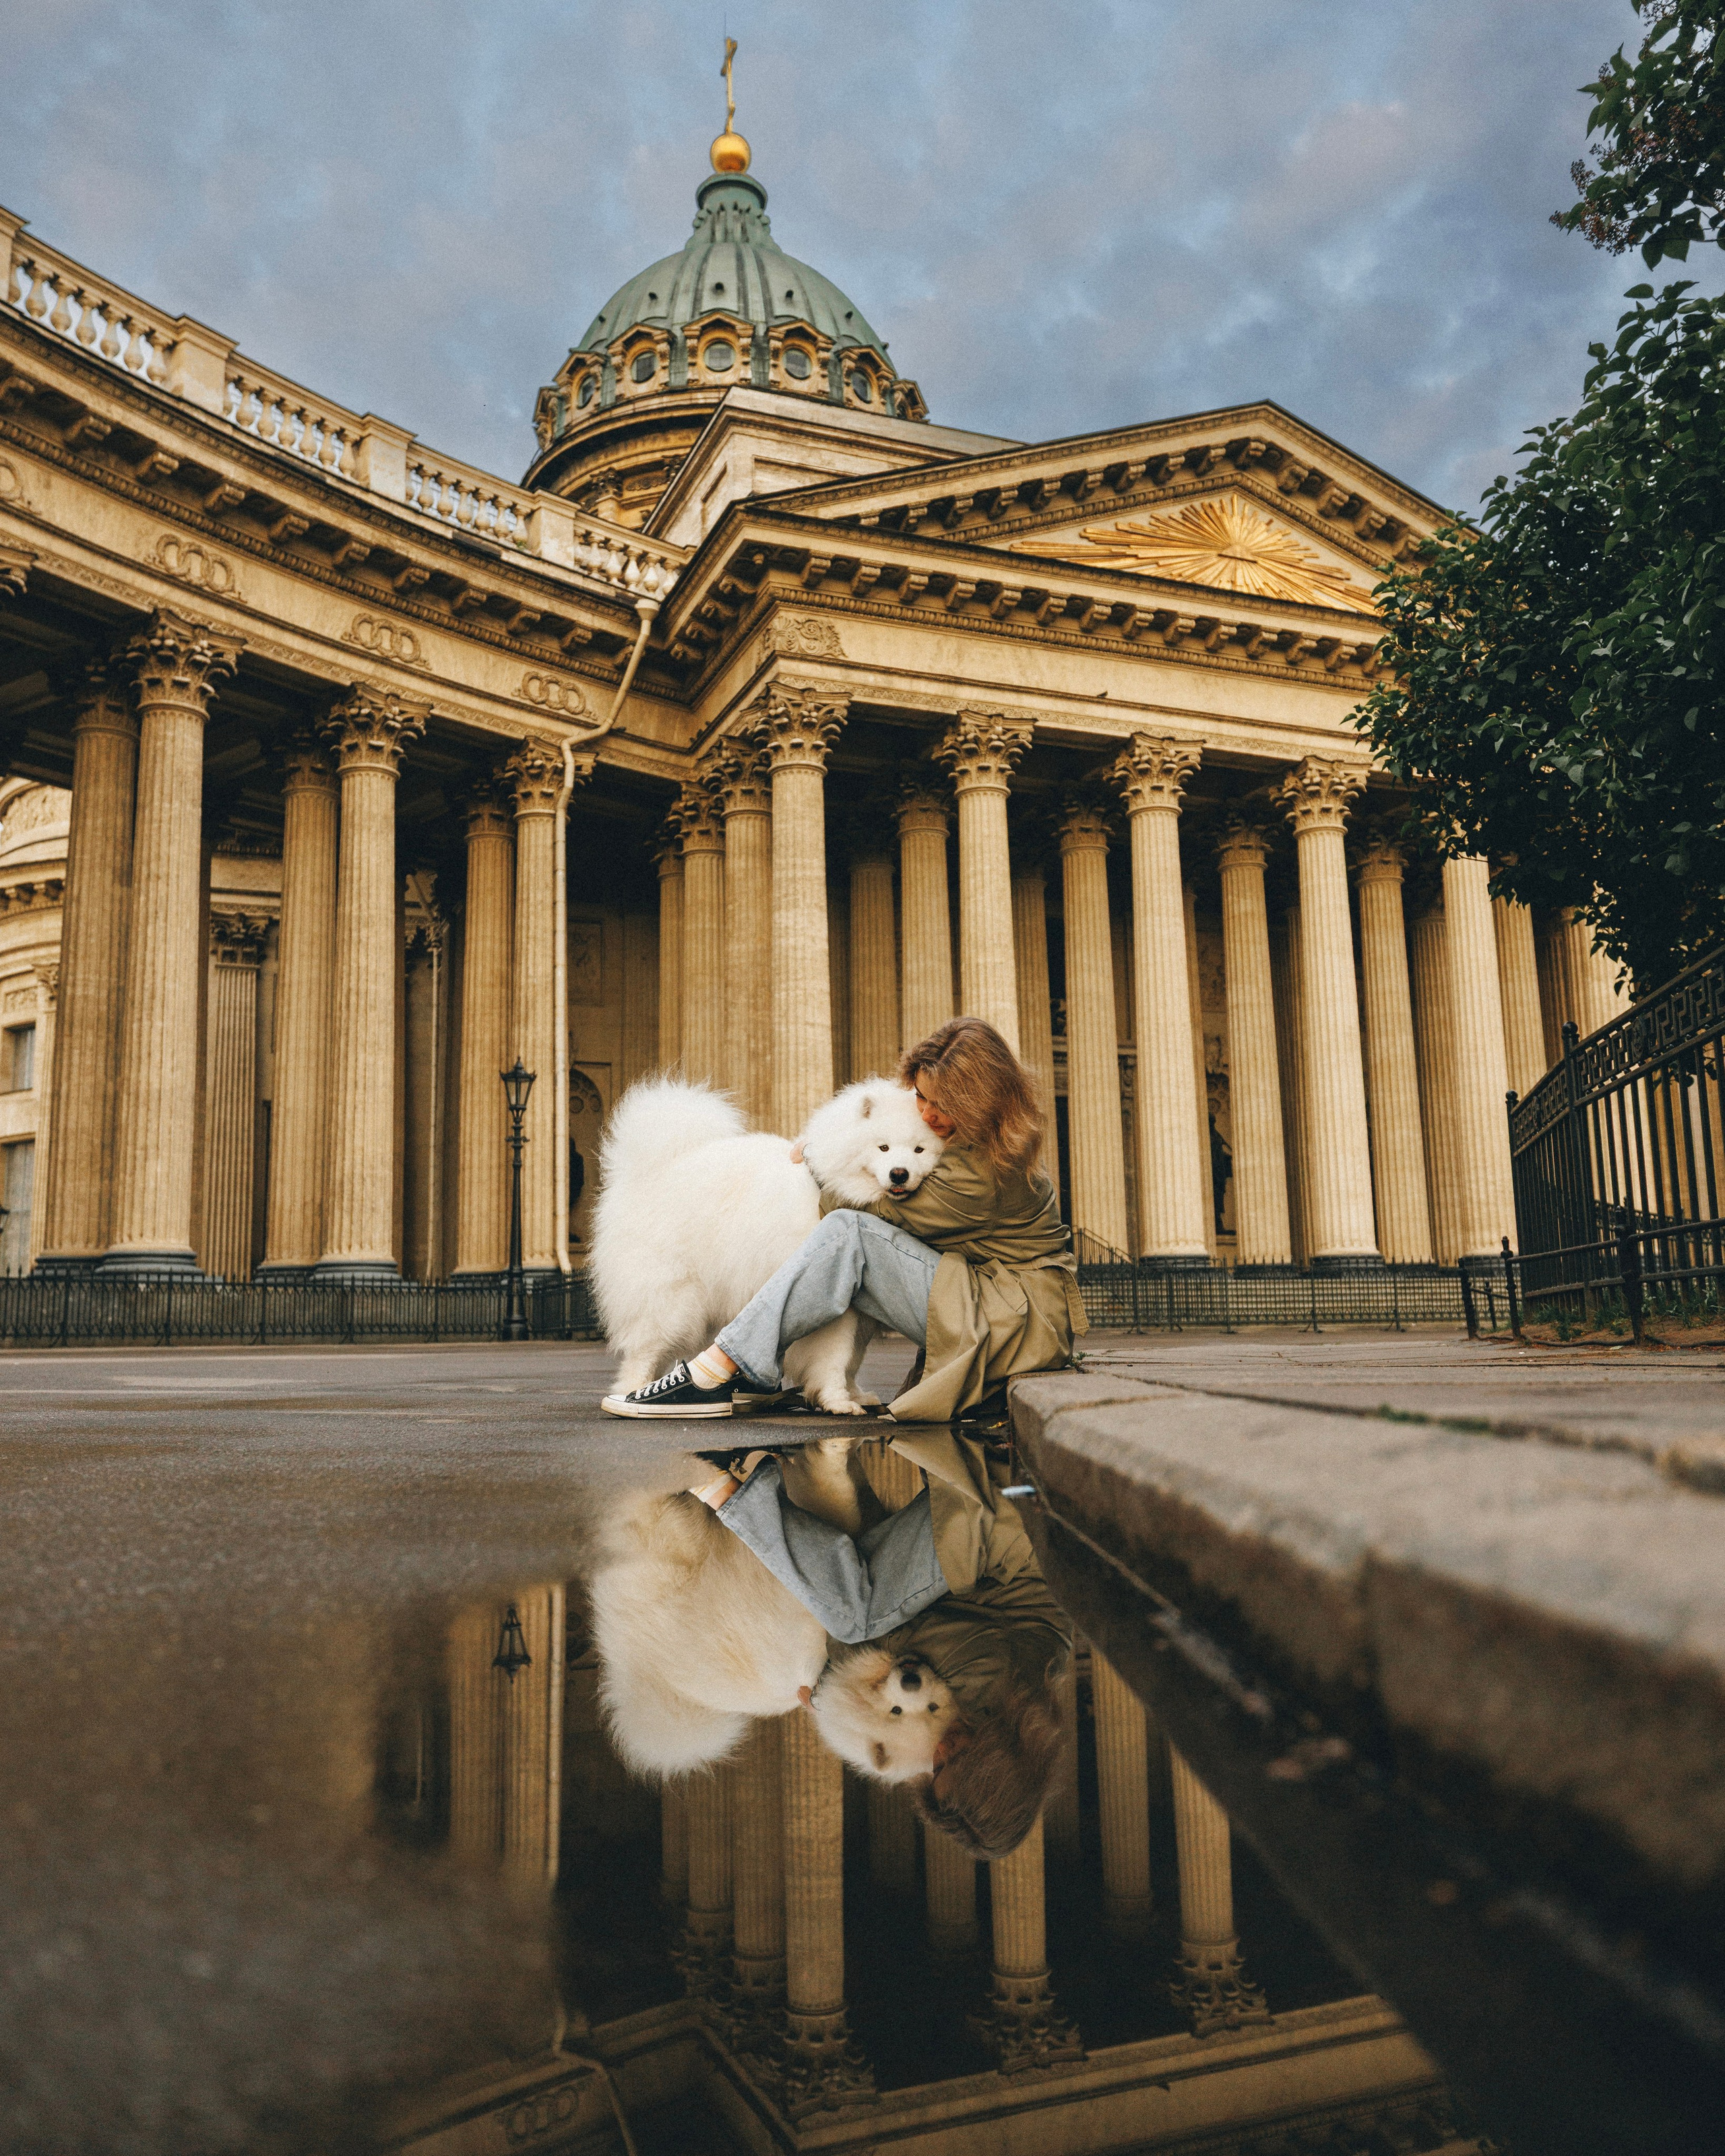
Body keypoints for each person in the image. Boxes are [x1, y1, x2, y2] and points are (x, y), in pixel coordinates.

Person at [601, 1015, 1087, 1421]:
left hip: (1014, 1323)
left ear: (978, 1096)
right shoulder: (988, 1142)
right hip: (1010, 1310)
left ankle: (719, 1368)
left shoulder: (983, 1169)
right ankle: (760, 1367)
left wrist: (815, 1160)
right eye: (922, 1097)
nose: (928, 1113)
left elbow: (873, 1210)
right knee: (849, 1242)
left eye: (944, 1102)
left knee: (847, 1234)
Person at [688, 1424, 1072, 1857]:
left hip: (1005, 1524)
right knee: (855, 1614)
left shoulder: (1011, 1713)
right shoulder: (1001, 1683)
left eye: (936, 1767)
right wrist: (829, 1691)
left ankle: (797, 1464)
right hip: (1001, 1521)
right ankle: (730, 1490)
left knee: (861, 1590)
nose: (938, 1751)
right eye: (954, 1761)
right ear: (997, 1764)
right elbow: (884, 1642)